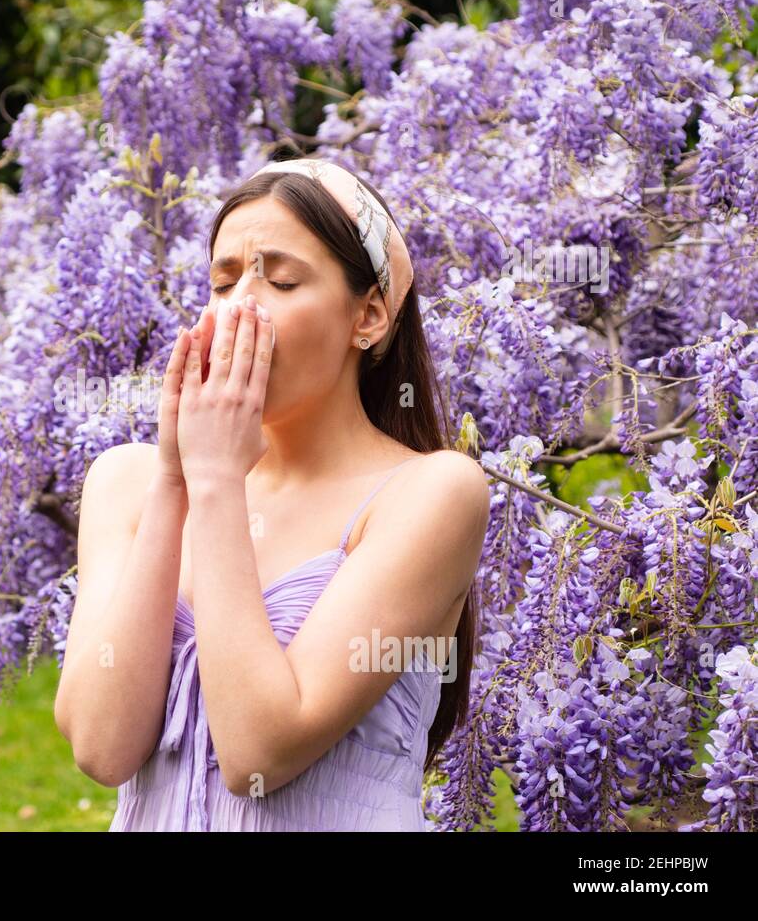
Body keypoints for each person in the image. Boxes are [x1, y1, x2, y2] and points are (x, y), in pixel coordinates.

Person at [53, 157, 491, 830]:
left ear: (368, 315)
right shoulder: (129, 482)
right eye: (222, 282)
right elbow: (102, 745)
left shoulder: (431, 493)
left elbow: (259, 749)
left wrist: (219, 482)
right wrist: (177, 480)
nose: (239, 309)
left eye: (280, 279)